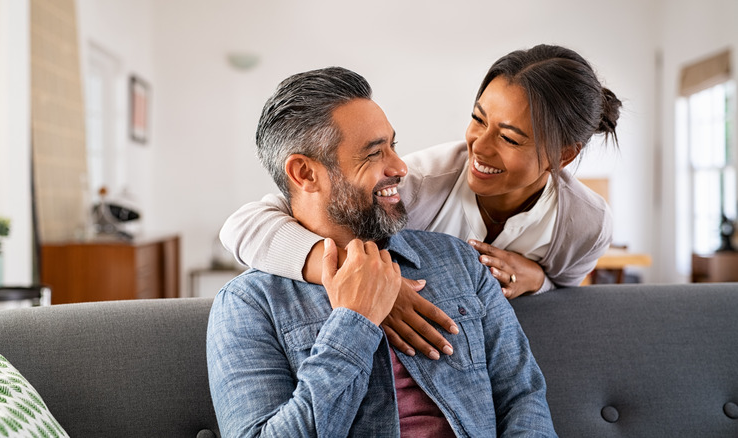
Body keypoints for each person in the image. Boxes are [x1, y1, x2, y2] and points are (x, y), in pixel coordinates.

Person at [206, 66, 555, 437]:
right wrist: (354, 321)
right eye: (374, 154)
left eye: (394, 145)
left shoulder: (460, 261)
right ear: (305, 174)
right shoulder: (248, 305)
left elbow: (523, 397)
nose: (400, 167)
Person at [220, 44, 622, 359]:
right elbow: (244, 225)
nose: (478, 147)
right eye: (478, 119)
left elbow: (566, 297)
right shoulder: (419, 182)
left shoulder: (585, 223)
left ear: (563, 155)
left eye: (510, 137)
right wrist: (364, 280)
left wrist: (539, 280)